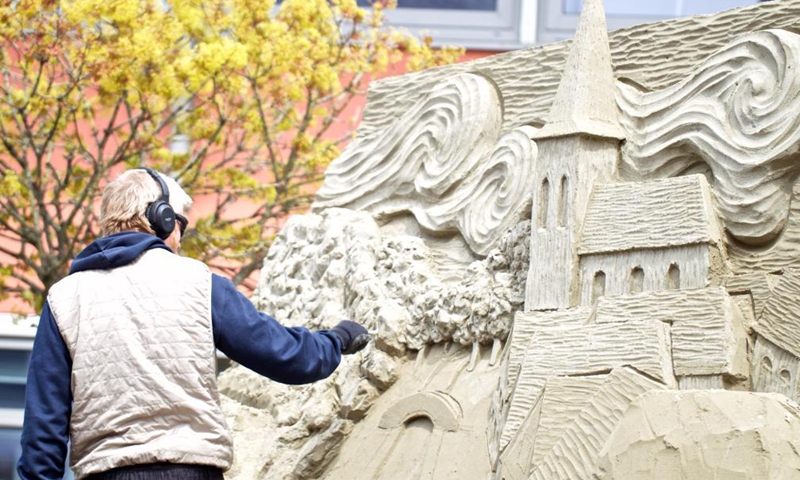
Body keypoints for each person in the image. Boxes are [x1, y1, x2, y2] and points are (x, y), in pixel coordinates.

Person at [17, 167, 369, 480]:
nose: (181, 237)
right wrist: (336, 340)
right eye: (180, 223)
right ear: (163, 218)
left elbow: (43, 429)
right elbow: (287, 357)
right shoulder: (199, 281)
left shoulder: (63, 298)